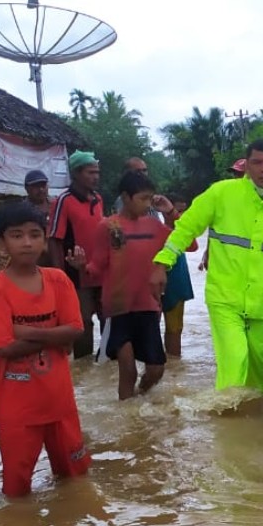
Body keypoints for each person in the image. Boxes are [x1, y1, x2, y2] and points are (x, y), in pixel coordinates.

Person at [149, 139, 263, 392]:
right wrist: (162, 263)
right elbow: (186, 229)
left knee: (260, 373)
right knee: (235, 360)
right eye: (257, 163)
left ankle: (251, 426)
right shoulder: (220, 194)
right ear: (247, 166)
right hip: (225, 299)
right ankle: (226, 420)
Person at [0, 201, 91, 497]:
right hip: (17, 410)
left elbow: (77, 330)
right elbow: (3, 348)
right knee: (16, 491)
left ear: (44, 239)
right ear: (2, 243)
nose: (26, 242)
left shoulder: (58, 280)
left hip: (60, 403)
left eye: (34, 234)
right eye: (16, 235)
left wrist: (23, 331)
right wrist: (56, 335)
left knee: (76, 482)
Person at [71, 170, 175, 400]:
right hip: (118, 308)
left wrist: (169, 213)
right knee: (127, 369)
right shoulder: (109, 227)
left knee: (156, 370)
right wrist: (81, 267)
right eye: (143, 198)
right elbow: (97, 267)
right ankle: (127, 424)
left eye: (151, 198)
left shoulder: (154, 226)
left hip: (148, 307)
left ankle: (139, 400)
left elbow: (189, 245)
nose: (148, 204)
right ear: (126, 197)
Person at [48, 150, 106, 359]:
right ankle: (83, 365)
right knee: (82, 322)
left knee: (108, 318)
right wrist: (58, 277)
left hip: (101, 271)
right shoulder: (63, 201)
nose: (95, 177)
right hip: (76, 274)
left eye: (97, 172)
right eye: (91, 172)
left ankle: (104, 367)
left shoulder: (98, 199)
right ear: (76, 174)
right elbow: (55, 239)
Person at [161, 194, 197, 358]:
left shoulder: (175, 220)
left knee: (174, 329)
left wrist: (171, 214)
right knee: (146, 330)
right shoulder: (141, 217)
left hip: (175, 275)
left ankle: (174, 372)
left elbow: (192, 244)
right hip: (146, 275)